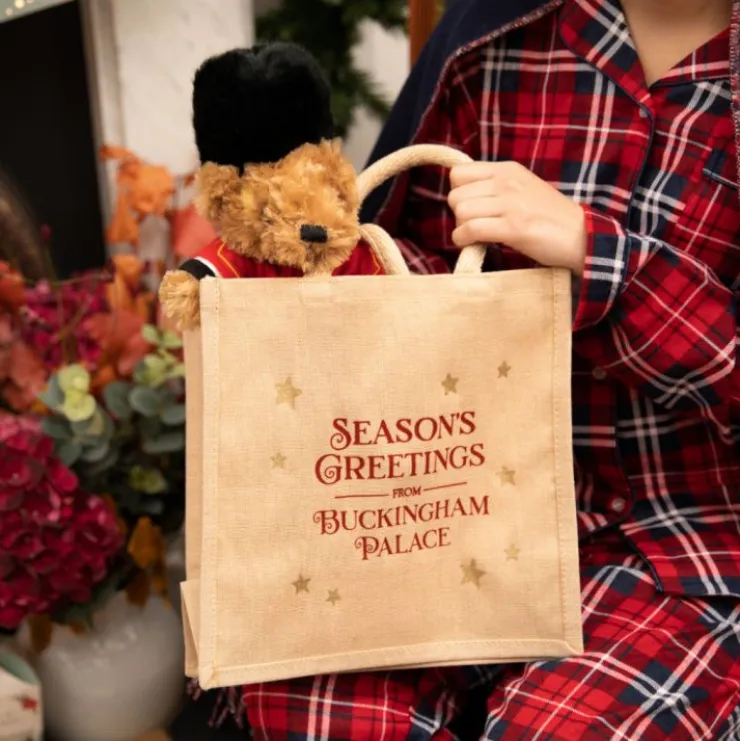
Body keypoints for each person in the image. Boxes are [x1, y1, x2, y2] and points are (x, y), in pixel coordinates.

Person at [234, 0, 740, 737]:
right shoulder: (497, 35)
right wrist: (322, 268)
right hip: (450, 496)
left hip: (686, 544)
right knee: (301, 689)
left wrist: (598, 255)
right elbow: (417, 259)